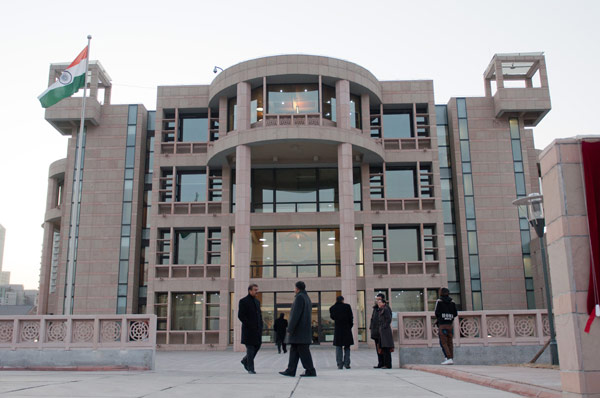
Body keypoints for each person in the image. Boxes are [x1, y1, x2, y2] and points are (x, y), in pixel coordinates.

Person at [279, 281, 317, 377]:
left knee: (303, 351)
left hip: (299, 331)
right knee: (294, 350)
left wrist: (290, 329)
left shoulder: (299, 297)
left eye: (294, 288)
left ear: (297, 288)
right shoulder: (307, 298)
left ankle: (310, 370)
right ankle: (291, 370)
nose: (294, 290)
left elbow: (295, 315)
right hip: (303, 331)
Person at [238, 284, 262, 374]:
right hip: (248, 330)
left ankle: (245, 360)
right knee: (250, 349)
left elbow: (259, 315)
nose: (256, 291)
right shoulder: (243, 301)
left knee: (257, 346)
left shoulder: (257, 301)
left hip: (257, 330)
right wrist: (249, 325)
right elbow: (241, 316)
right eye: (255, 290)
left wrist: (260, 326)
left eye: (257, 290)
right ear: (250, 291)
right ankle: (250, 368)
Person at [329, 296, 354, 369]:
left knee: (338, 346)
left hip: (338, 329)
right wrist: (350, 326)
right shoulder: (347, 306)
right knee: (347, 347)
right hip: (346, 329)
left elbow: (333, 317)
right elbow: (351, 317)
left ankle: (339, 364)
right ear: (343, 300)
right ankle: (347, 363)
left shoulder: (332, 308)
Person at [435, 287, 458, 365]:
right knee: (450, 342)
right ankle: (450, 357)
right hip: (450, 325)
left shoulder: (439, 301)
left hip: (442, 325)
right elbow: (455, 313)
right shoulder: (452, 302)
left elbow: (436, 313)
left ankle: (448, 358)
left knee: (443, 342)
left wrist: (441, 318)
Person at [369, 293, 385, 368]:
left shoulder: (385, 308)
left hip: (382, 332)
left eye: (379, 299)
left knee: (383, 348)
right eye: (377, 299)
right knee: (378, 348)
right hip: (376, 332)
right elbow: (372, 319)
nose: (378, 301)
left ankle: (384, 363)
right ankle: (380, 363)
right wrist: (371, 327)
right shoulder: (375, 309)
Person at [377, 297, 394, 369]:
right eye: (378, 302)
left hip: (386, 331)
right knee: (383, 348)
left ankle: (388, 364)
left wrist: (384, 327)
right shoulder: (381, 310)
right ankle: (385, 364)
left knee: (387, 348)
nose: (379, 303)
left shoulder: (386, 309)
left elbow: (388, 319)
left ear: (384, 303)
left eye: (380, 302)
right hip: (382, 331)